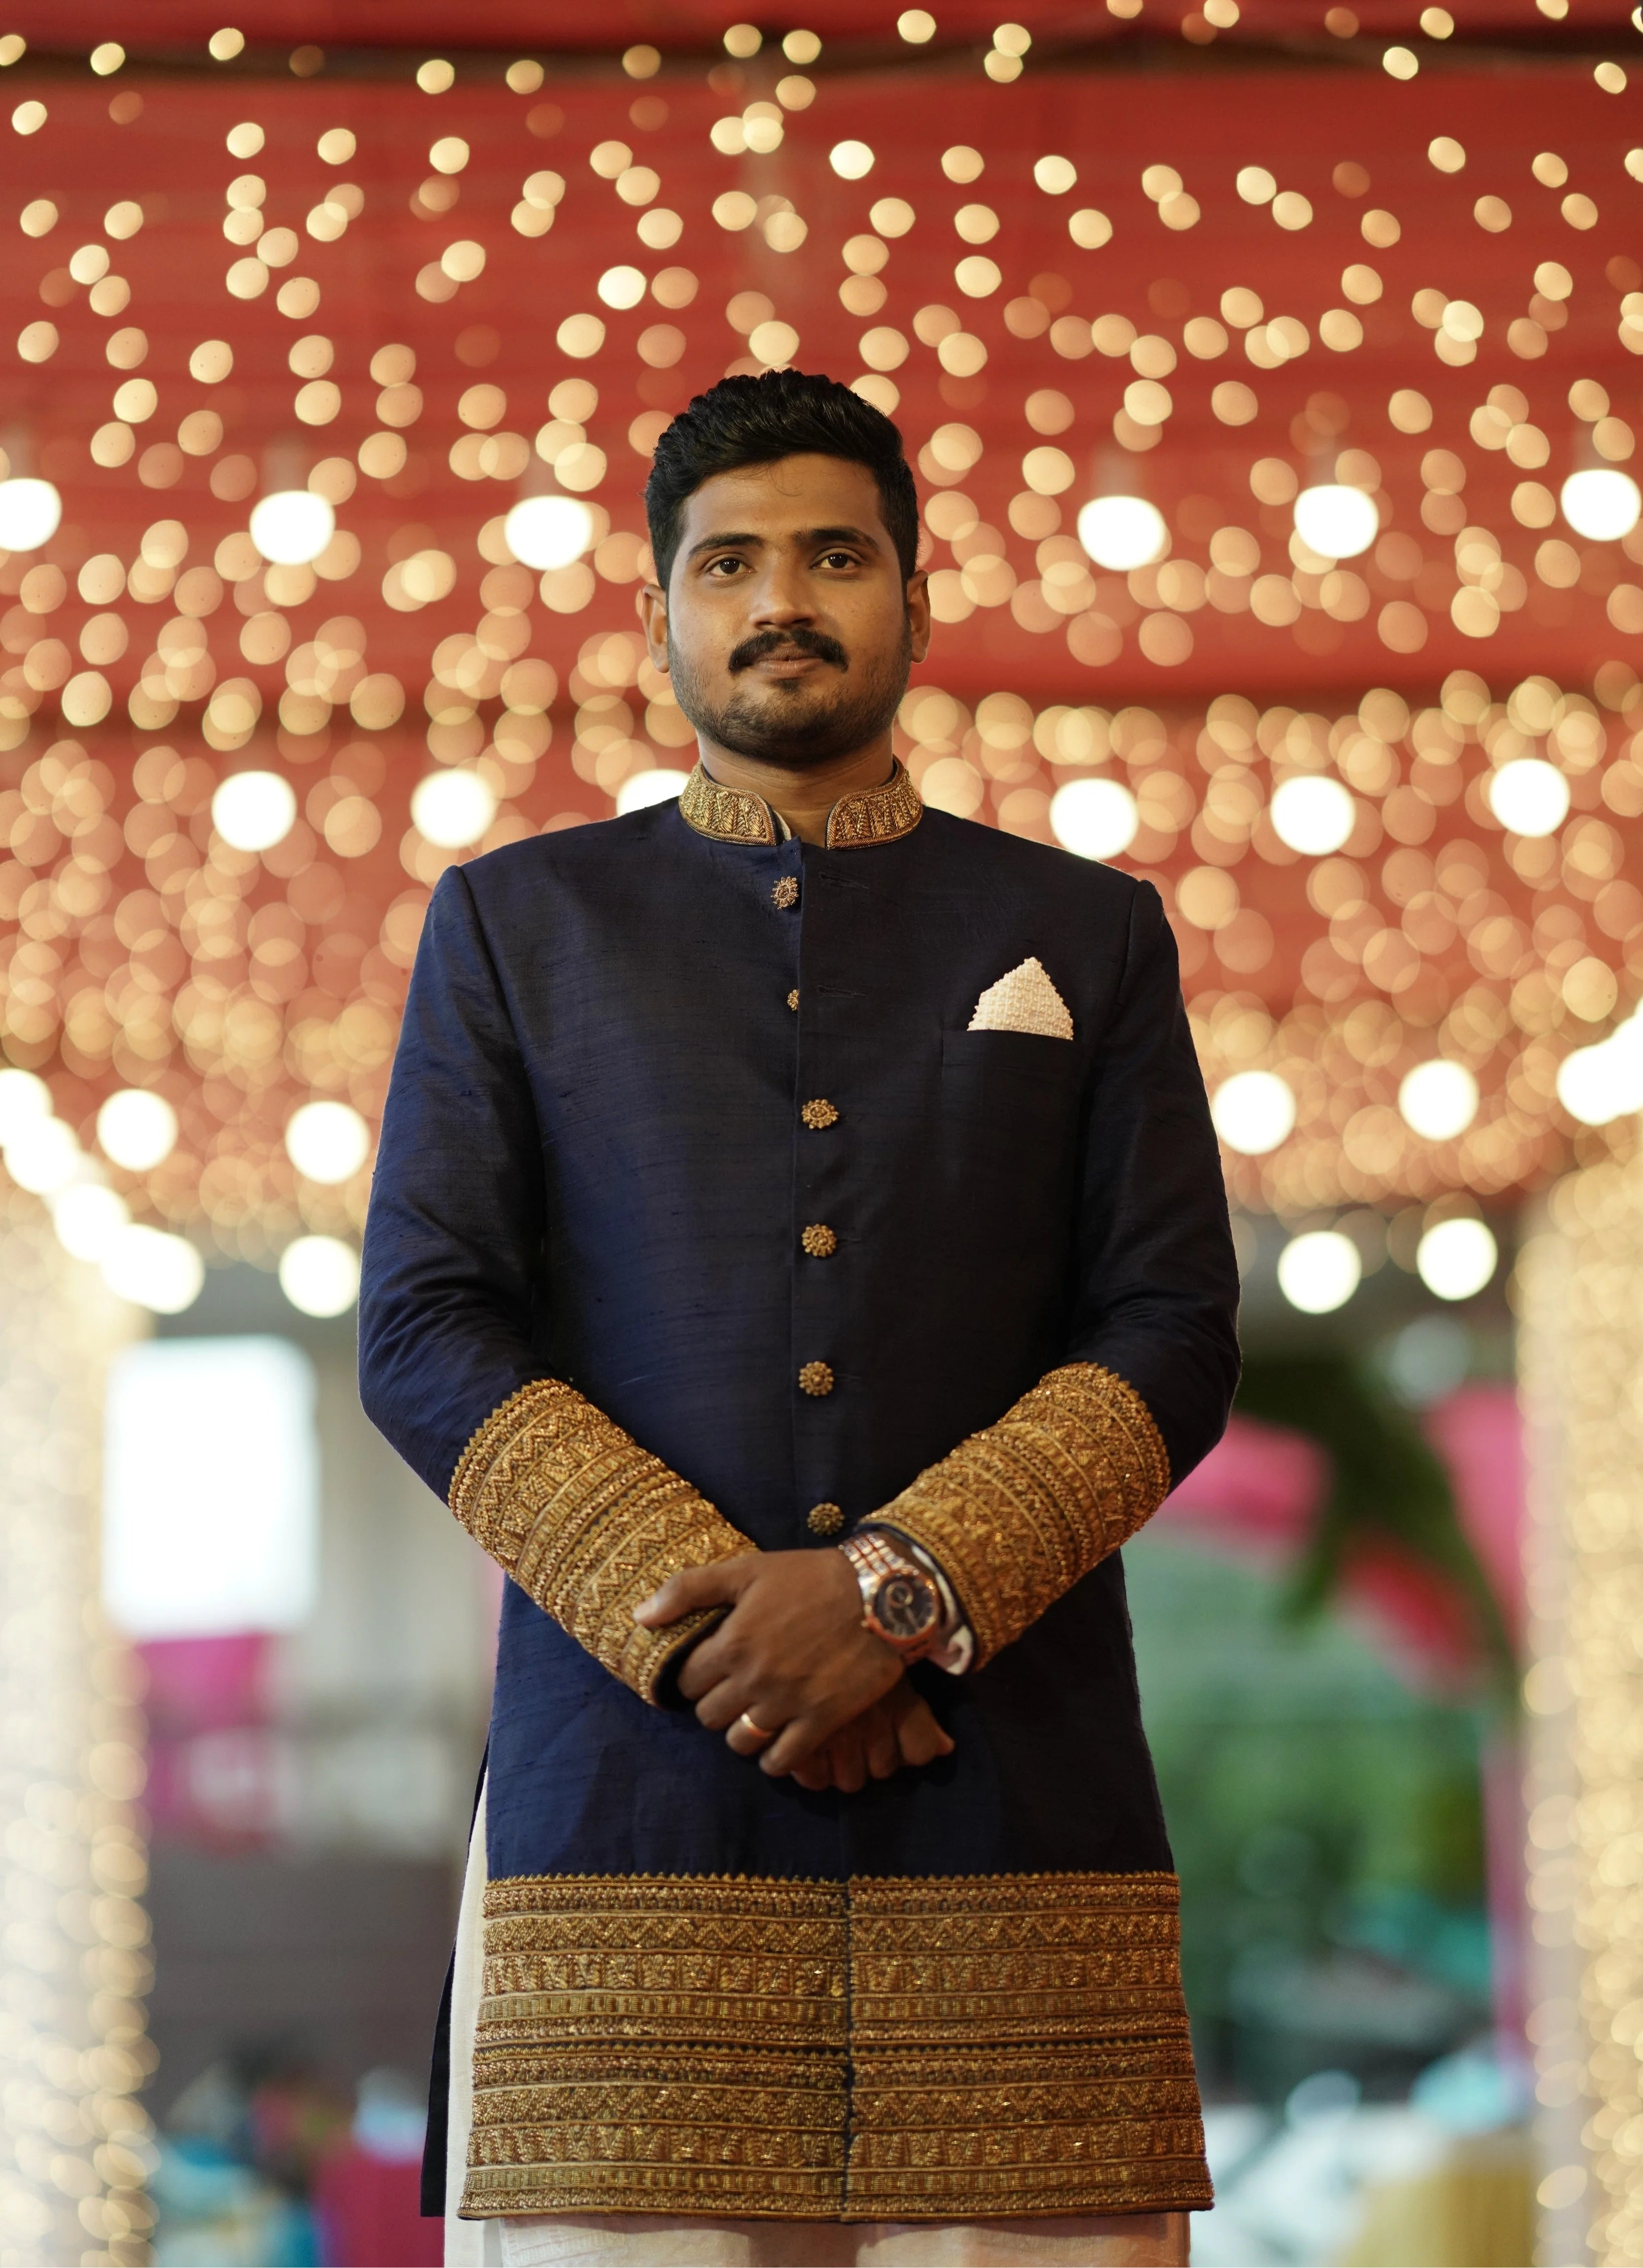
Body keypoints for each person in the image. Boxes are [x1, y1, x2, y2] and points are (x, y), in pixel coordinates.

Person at [358, 370, 1241, 2268]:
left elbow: (1170, 1325)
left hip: (1009, 1794)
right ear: (663, 611)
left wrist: (893, 1595)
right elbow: (427, 1323)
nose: (783, 599)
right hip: (634, 1795)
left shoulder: (1084, 932)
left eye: (834, 554)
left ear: (912, 599)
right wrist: (735, 1640)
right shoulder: (519, 926)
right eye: (729, 562)